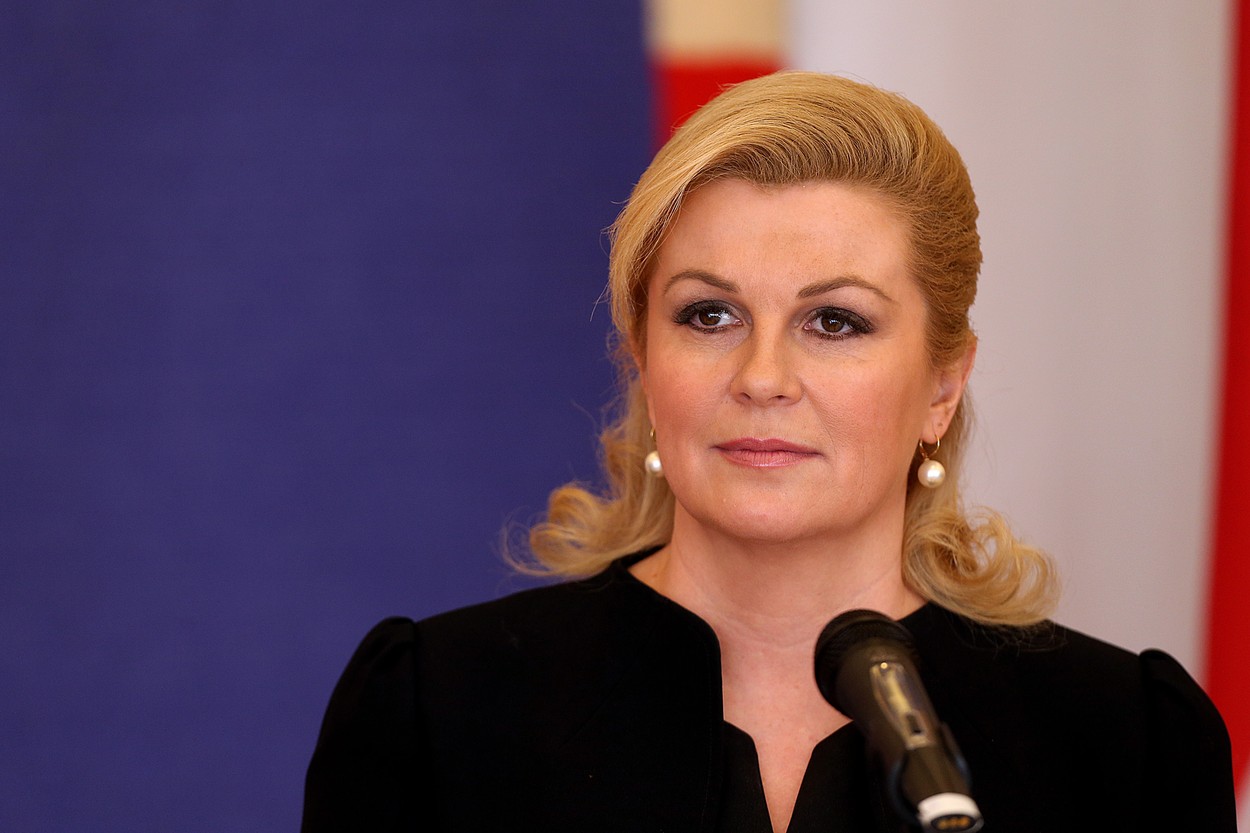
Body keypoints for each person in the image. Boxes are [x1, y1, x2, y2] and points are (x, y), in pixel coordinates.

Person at [301, 72, 1236, 832]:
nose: (762, 376)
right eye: (710, 315)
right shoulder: (437, 709)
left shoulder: (1124, 741)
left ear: (943, 386)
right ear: (642, 359)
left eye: (835, 321)